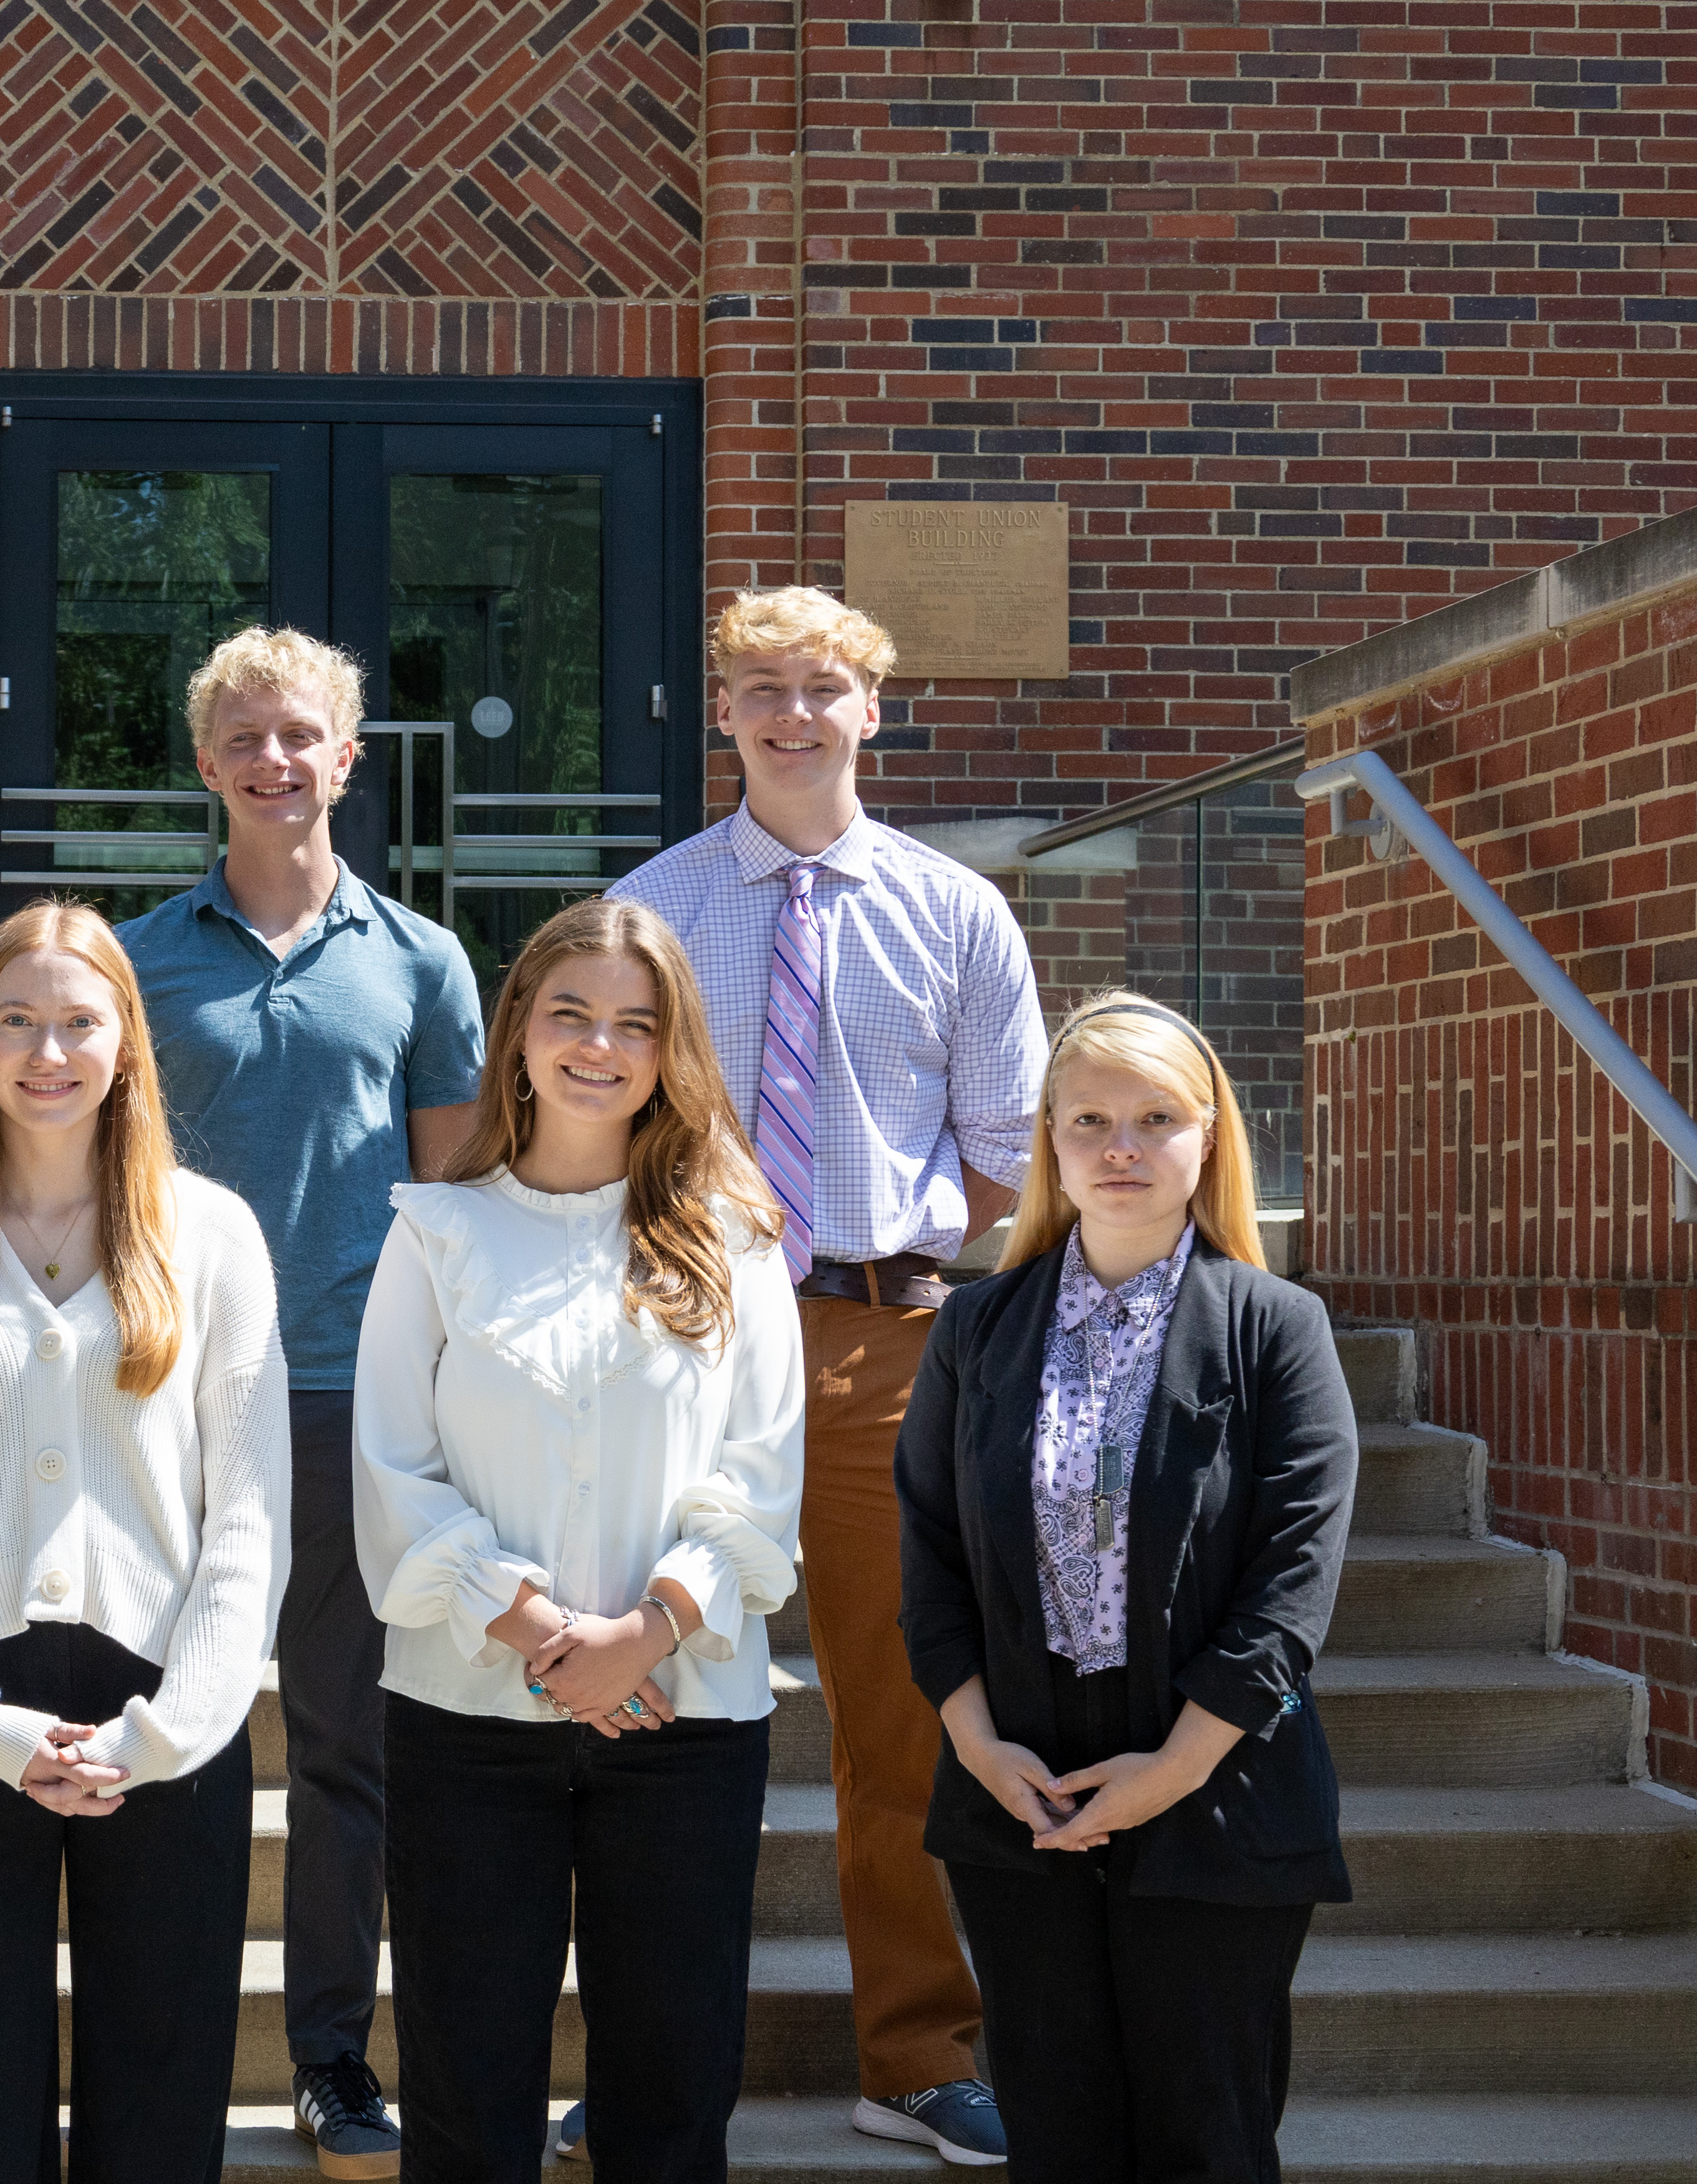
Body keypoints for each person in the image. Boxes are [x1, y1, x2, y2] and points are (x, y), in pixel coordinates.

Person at [602, 585, 1044, 2163]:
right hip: (683, 1336)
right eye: (763, 689)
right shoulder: (648, 912)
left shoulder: (955, 912)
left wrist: (900, 1280)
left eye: (825, 688)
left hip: (885, 1343)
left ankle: (919, 2053)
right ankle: (648, 2065)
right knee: (648, 1697)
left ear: (876, 709)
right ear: (721, 712)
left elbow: (1010, 1159)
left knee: (904, 1709)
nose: (795, 715)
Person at [0, 899, 288, 2184]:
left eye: (79, 1023)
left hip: (166, 1722)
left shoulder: (213, 1238)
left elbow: (247, 1518)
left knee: (163, 2088)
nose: (48, 1053)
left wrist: (170, 1731)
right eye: (17, 1022)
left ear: (127, 1042)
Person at [353, 898, 805, 2184]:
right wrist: (547, 1632)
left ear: (673, 1052)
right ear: (517, 1036)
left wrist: (649, 1630)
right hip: (467, 1717)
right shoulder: (436, 1231)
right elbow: (394, 1472)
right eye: (571, 1014)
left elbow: (760, 1479)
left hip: (685, 1716)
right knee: (466, 2092)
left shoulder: (736, 1237)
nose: (599, 1046)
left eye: (635, 1024)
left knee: (669, 2099)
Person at [112, 624, 483, 2180]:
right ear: (209, 766)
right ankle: (153, 2049)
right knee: (163, 1736)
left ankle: (333, 2057)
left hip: (343, 1403)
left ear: (349, 757)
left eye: (303, 737)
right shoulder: (134, 962)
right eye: (245, 739)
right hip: (165, 1404)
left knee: (345, 1751)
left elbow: (456, 1185)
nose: (276, 762)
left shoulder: (422, 961)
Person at [898, 994, 1357, 2183]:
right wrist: (981, 1747)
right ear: (1048, 1137)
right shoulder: (976, 1330)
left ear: (1209, 1139)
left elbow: (1289, 1589)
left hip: (1217, 1802)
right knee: (1057, 2137)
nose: (1122, 1147)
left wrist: (1172, 1770)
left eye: (1157, 1118)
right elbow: (931, 1559)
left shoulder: (1277, 1331)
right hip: (1023, 1799)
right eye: (1091, 1117)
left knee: (1209, 2136)